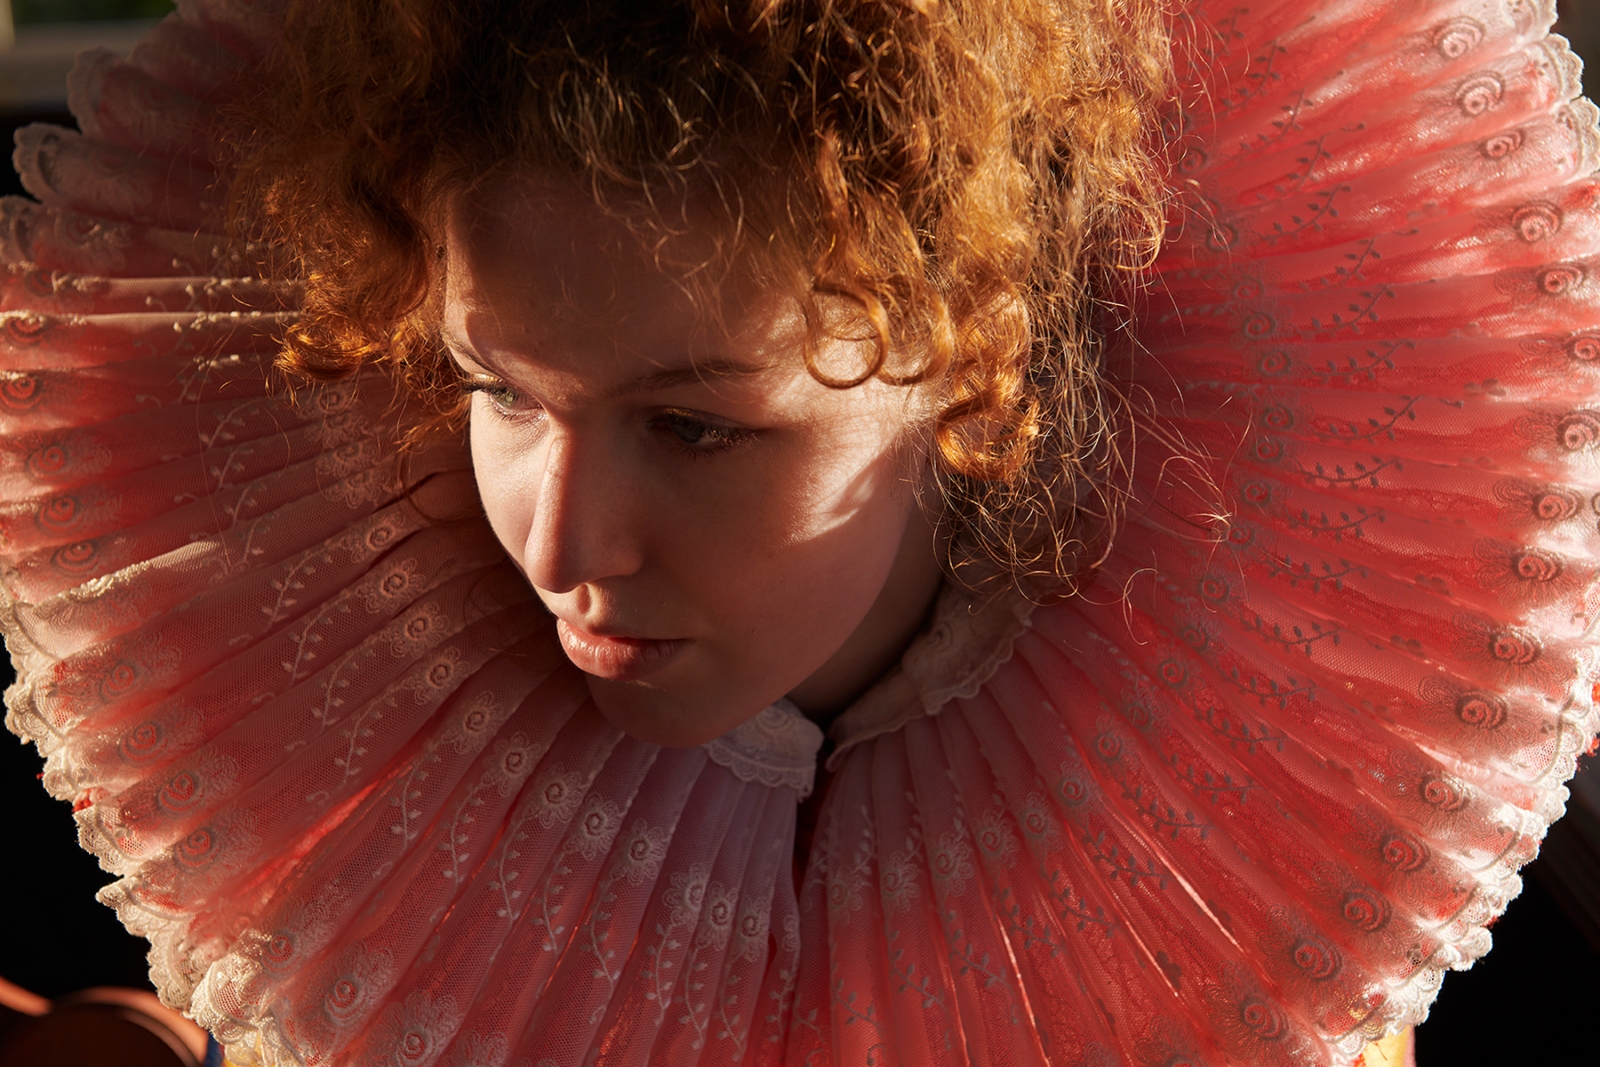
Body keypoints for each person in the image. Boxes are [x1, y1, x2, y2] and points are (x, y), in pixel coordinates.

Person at [1, 0, 1594, 1064]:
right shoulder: (379, 731)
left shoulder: (1238, 878)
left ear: (974, 354)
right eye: (500, 391)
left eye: (697, 429)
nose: (563, 547)